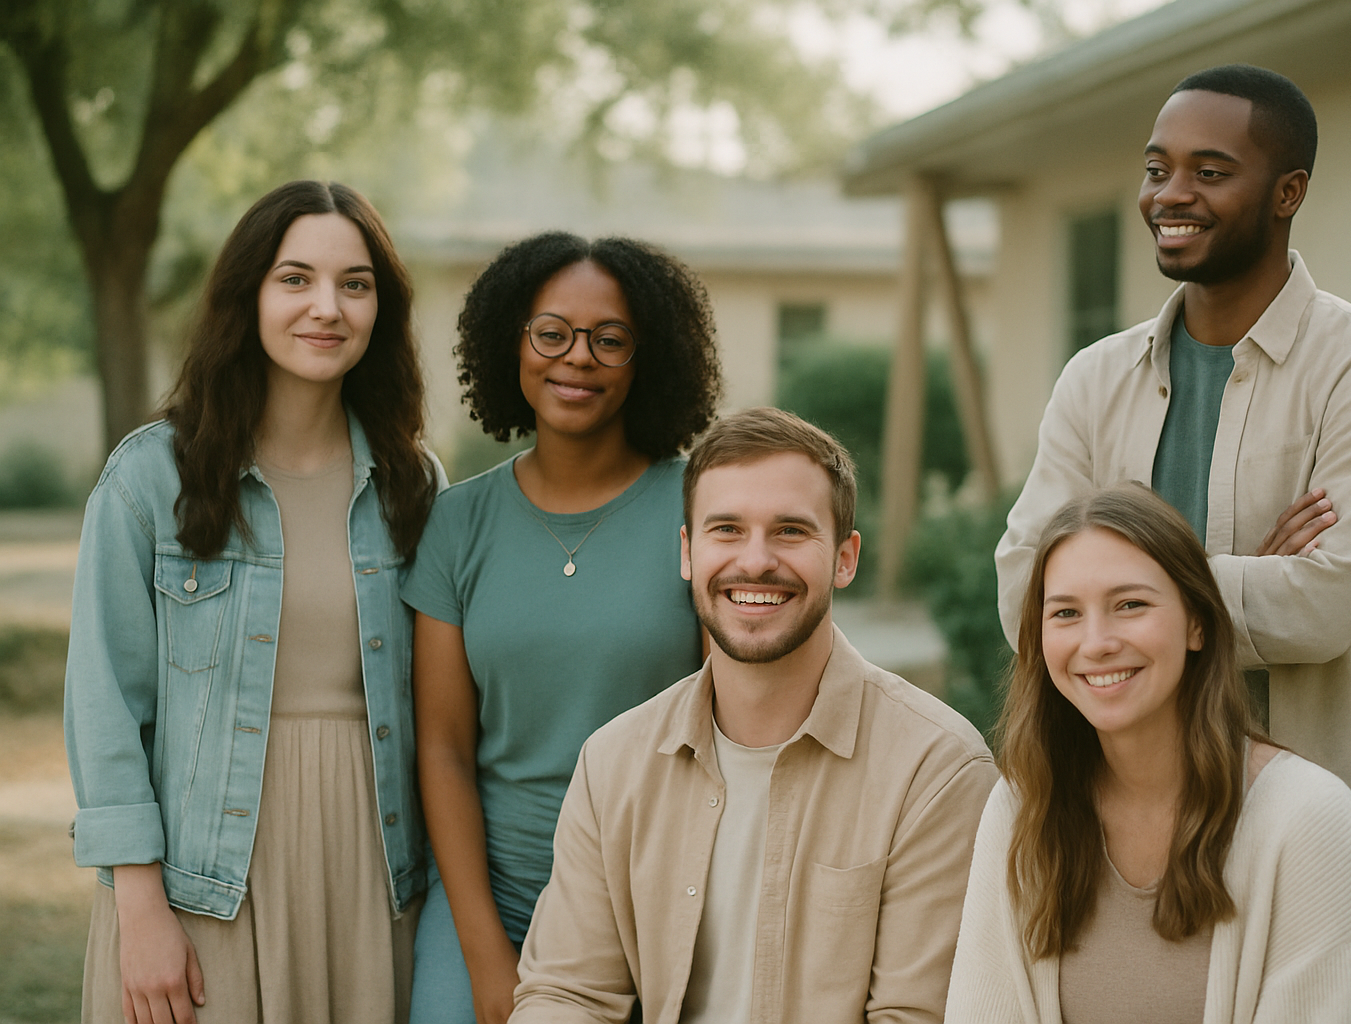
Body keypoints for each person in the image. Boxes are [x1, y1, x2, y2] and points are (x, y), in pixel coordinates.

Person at [992, 64, 1351, 1024]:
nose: (1170, 195)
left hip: (1324, 822)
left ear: (1288, 193)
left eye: (1209, 170)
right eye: (1158, 169)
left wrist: (1115, 585)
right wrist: (1224, 573)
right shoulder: (1094, 379)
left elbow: (1323, 607)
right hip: (1113, 821)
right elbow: (1026, 592)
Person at [65, 180, 441, 1023]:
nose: (327, 308)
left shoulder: (414, 483)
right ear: (250, 296)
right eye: (295, 278)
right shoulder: (150, 478)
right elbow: (105, 706)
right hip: (206, 876)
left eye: (355, 284)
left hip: (371, 866)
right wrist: (141, 909)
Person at [510, 407, 998, 1024]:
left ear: (845, 558)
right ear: (688, 552)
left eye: (791, 530)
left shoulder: (936, 772)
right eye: (727, 530)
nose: (756, 561)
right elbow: (566, 993)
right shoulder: (613, 763)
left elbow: (915, 1016)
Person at [405, 232, 723, 1024]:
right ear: (511, 343)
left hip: (658, 893)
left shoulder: (703, 509)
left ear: (645, 359)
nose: (577, 357)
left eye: (609, 340)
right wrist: (484, 957)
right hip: (497, 894)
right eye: (552, 333)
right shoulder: (458, 524)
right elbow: (442, 747)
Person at [952, 482, 1351, 1023]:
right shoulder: (1021, 809)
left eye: (1130, 604)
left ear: (1197, 623)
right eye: (1065, 613)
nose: (1097, 642)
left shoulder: (1307, 821)